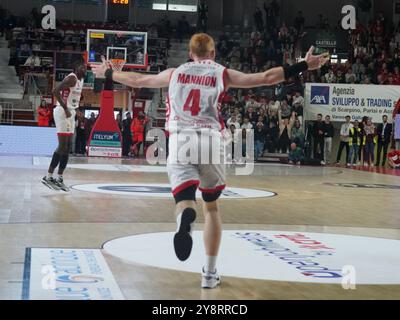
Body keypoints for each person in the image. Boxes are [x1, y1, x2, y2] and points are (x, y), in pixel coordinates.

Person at [91, 34, 329, 289]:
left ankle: (185, 217)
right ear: (213, 53)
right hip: (211, 141)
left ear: (191, 54)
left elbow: (139, 79)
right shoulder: (221, 73)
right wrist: (304, 65)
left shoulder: (174, 73)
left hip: (180, 139)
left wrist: (108, 74)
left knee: (184, 200)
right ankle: (209, 272)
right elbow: (265, 78)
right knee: (212, 207)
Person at [41, 61, 86, 191]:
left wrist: (76, 111)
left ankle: (59, 177)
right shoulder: (72, 78)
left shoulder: (80, 81)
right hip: (62, 111)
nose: (84, 69)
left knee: (67, 147)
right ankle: (48, 176)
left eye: (85, 68)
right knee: (62, 145)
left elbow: (73, 100)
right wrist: (66, 109)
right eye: (81, 67)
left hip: (70, 112)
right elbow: (55, 91)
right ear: (76, 68)